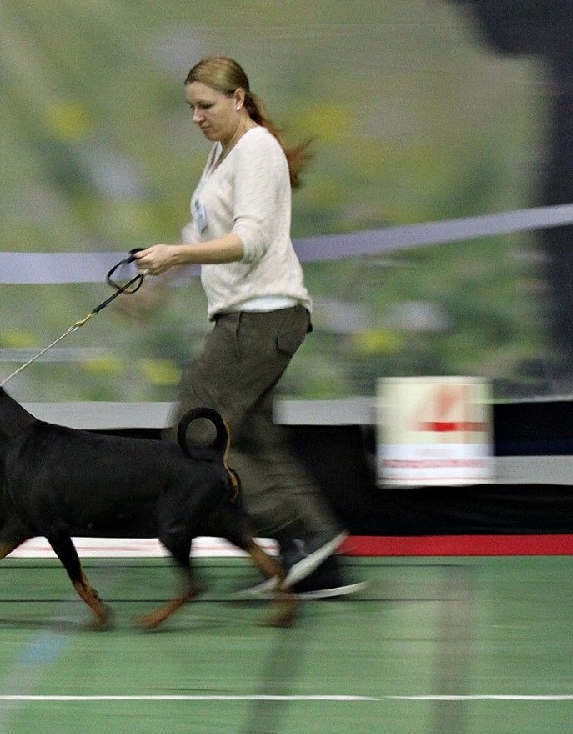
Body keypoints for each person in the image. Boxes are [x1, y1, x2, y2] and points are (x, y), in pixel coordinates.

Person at [134, 56, 363, 598]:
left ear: (238, 98)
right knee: (257, 443)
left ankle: (300, 533)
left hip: (259, 318)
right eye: (190, 107)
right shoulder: (223, 153)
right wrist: (157, 283)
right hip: (258, 317)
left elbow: (252, 240)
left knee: (192, 436)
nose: (196, 117)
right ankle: (319, 561)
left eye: (206, 105)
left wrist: (176, 255)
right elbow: (202, 229)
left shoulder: (256, 149)